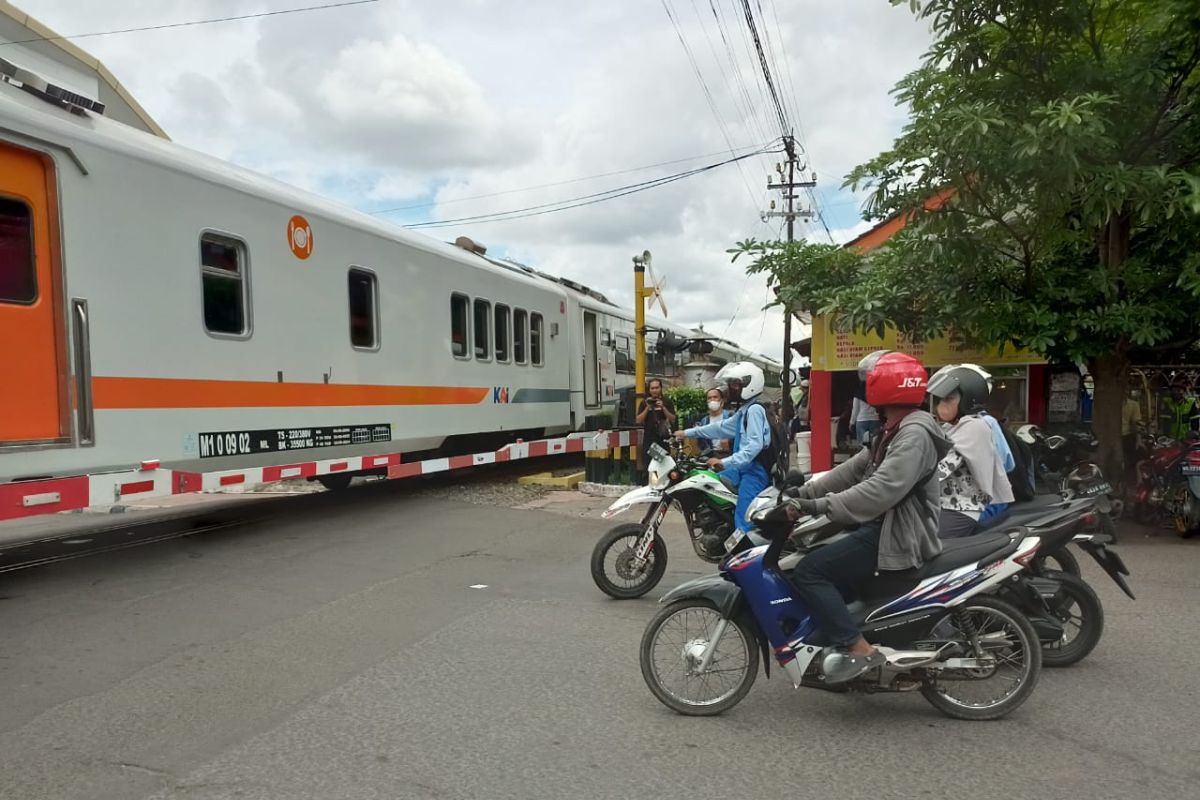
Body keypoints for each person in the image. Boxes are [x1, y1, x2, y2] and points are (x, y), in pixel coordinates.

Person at [783, 351, 950, 684]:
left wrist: (820, 506)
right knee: (822, 558)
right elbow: (849, 472)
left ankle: (859, 649)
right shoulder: (894, 429)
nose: (863, 391)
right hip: (883, 525)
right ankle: (842, 635)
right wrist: (803, 494)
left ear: (883, 388)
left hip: (899, 533)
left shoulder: (913, 434)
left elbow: (882, 489)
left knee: (810, 571)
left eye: (868, 383)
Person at [673, 362, 772, 544]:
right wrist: (686, 433)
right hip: (740, 469)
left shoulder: (755, 411)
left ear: (749, 385)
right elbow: (719, 428)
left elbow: (754, 447)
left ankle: (744, 552)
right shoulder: (744, 411)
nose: (731, 389)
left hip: (754, 472)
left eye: (735, 384)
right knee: (709, 484)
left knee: (744, 518)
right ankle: (719, 526)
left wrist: (724, 462)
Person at [927, 366, 1015, 538]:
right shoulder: (952, 427)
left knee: (928, 550)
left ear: (968, 400)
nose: (941, 405)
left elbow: (942, 467)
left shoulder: (974, 427)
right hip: (943, 505)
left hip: (962, 508)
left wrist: (908, 478)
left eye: (949, 399)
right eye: (940, 400)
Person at [635, 378, 676, 468]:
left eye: (657, 388)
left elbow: (673, 419)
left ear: (661, 388)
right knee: (649, 466)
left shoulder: (667, 401)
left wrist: (663, 408)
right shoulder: (644, 402)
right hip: (649, 439)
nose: (654, 390)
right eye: (652, 388)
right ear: (649, 390)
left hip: (663, 439)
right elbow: (638, 420)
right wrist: (647, 408)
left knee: (663, 465)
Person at [692, 385, 732, 454]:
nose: (712, 400)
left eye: (715, 397)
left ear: (721, 400)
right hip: (712, 456)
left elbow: (740, 436)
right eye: (709, 398)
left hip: (729, 455)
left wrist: (729, 442)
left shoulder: (730, 416)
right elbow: (701, 444)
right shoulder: (704, 421)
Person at [1122, 389, 1142, 484]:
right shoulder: (1110, 405)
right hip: (1111, 437)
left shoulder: (1133, 405)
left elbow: (1136, 423)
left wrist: (1138, 440)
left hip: (1126, 436)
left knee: (1132, 461)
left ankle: (1131, 483)